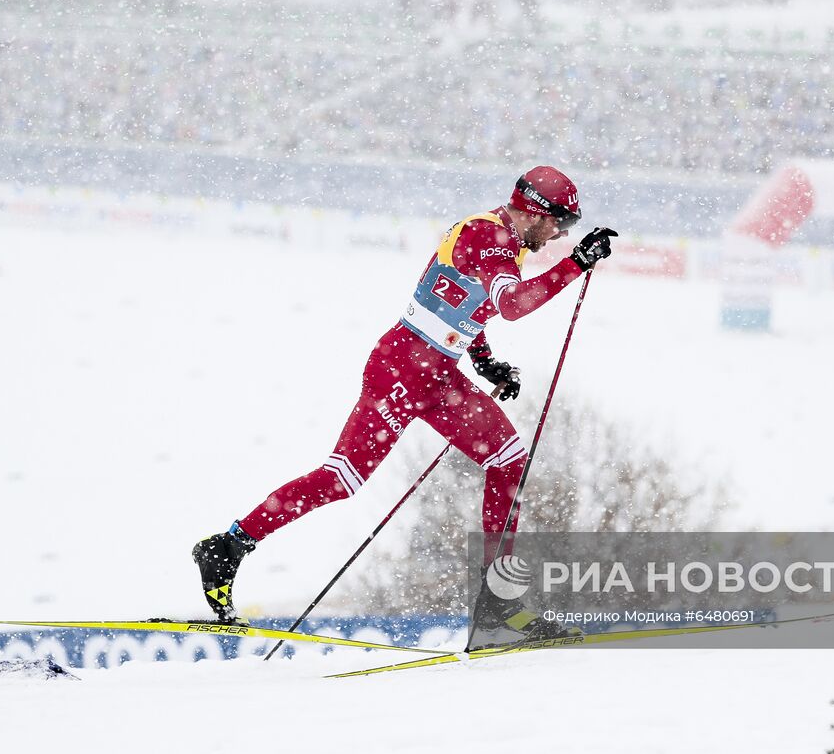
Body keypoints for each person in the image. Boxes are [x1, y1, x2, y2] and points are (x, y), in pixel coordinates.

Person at [193, 167, 617, 641]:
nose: (561, 234)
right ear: (538, 211)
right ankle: (228, 546)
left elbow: (462, 302)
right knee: (342, 479)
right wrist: (576, 262)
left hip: (435, 375)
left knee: (509, 461)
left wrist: (484, 361)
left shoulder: (503, 241)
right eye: (561, 223)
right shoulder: (488, 235)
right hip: (401, 368)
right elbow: (513, 305)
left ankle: (497, 603)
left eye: (570, 230)